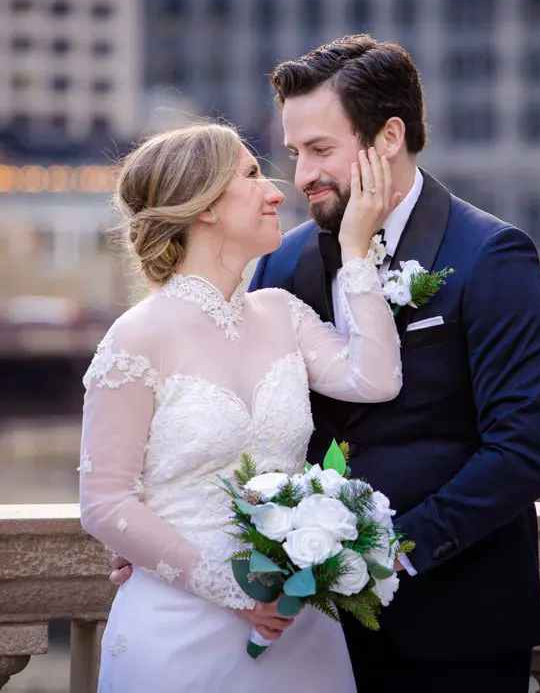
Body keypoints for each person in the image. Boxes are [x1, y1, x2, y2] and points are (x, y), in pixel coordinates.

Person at [112, 35, 540, 692]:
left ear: (388, 138)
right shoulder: (284, 259)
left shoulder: (491, 256)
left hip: (457, 621)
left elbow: (522, 452)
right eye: (294, 153)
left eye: (320, 150)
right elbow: (234, 422)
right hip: (307, 629)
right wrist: (159, 539)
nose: (300, 177)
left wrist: (386, 555)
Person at [79, 122, 403, 692]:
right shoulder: (135, 338)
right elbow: (104, 504)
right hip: (179, 634)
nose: (276, 191)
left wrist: (356, 252)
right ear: (204, 206)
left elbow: (375, 379)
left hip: (299, 631)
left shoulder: (282, 312)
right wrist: (238, 592)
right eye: (252, 175)